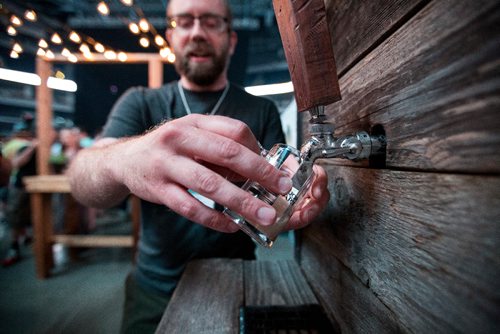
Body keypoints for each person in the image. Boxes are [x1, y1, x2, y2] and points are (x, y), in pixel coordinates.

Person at [66, 0, 330, 332]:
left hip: (239, 279)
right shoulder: (141, 102)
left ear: (231, 39)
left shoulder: (261, 110)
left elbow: (279, 192)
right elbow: (81, 181)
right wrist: (123, 158)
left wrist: (300, 192)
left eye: (210, 22)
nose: (197, 33)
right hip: (155, 288)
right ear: (170, 36)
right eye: (184, 22)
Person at [1, 113, 38, 267]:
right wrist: (32, 147)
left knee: (26, 218)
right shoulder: (23, 146)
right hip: (19, 186)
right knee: (15, 218)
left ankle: (25, 239)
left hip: (32, 188)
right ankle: (14, 247)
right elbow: (14, 164)